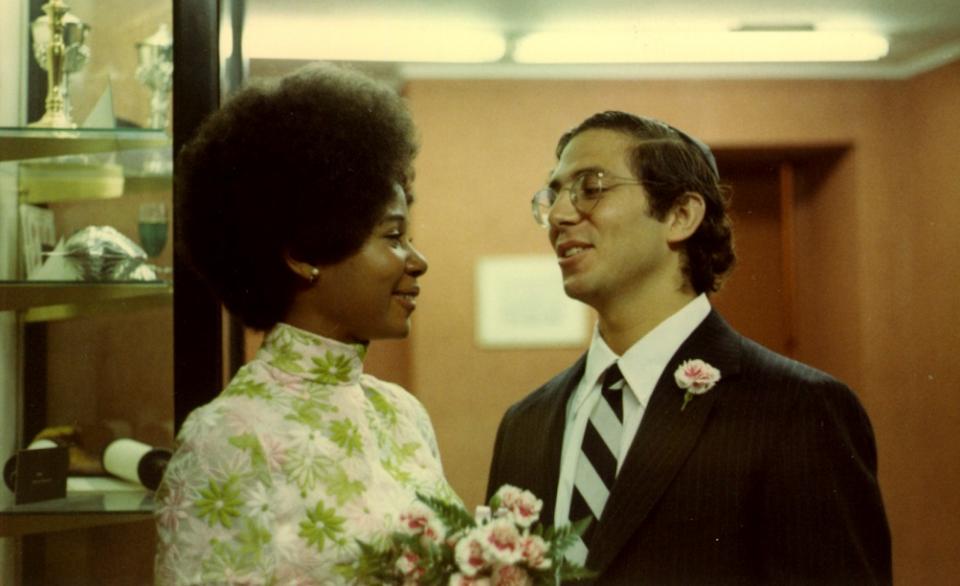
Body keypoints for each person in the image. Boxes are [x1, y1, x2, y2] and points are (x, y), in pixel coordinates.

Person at [486, 111, 892, 585]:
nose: (559, 215)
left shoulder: (796, 409)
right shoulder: (526, 423)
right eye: (553, 196)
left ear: (680, 215)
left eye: (591, 187)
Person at [154, 63, 458, 584]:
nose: (416, 260)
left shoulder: (402, 415)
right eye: (393, 236)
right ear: (301, 254)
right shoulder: (227, 437)